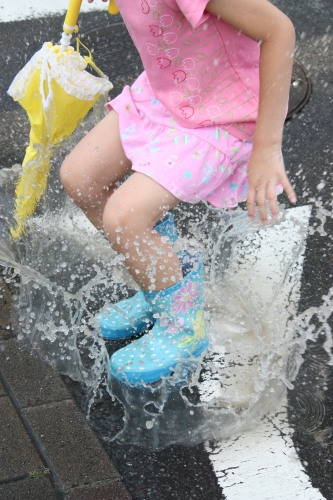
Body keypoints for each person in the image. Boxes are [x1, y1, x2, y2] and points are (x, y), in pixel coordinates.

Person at [60, 0, 297, 385]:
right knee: (80, 176)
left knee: (125, 217)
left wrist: (267, 147)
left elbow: (278, 30)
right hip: (169, 92)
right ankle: (163, 277)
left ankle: (182, 326)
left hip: (221, 113)